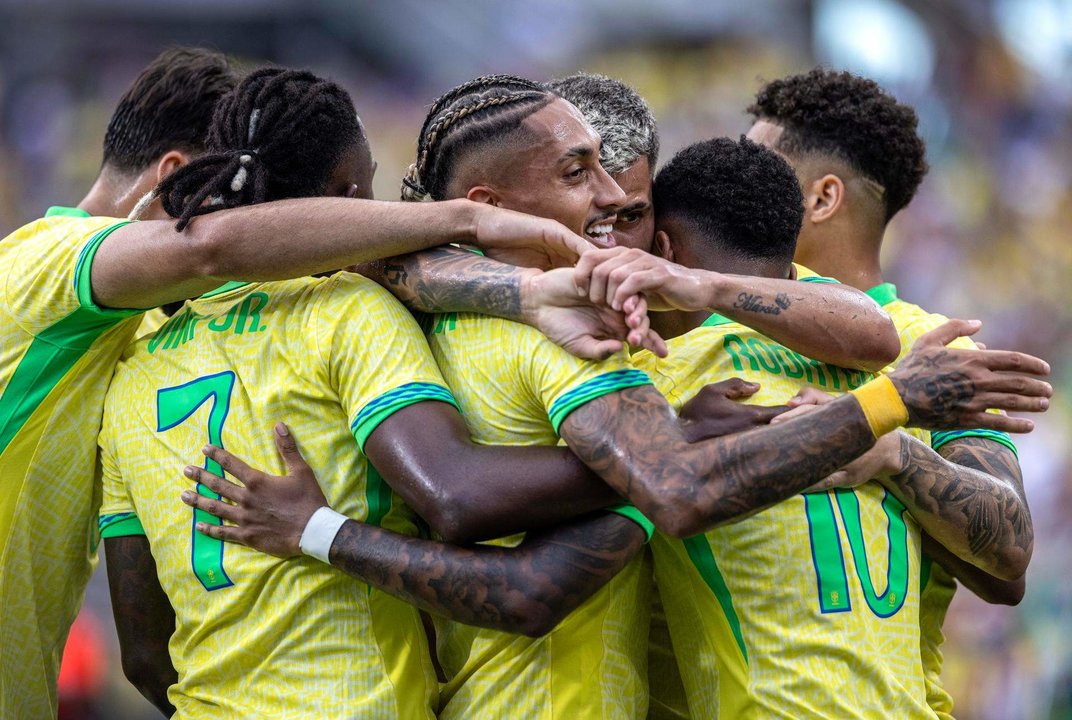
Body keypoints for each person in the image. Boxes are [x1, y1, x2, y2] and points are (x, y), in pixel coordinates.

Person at [0, 46, 598, 719]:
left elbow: (145, 656)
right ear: (174, 177)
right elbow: (455, 493)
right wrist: (646, 458)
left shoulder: (130, 360)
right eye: (208, 193)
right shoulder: (40, 264)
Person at [745, 67, 1033, 719]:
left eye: (758, 173)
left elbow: (1009, 559)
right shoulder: (695, 329)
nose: (736, 189)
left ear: (821, 200)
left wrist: (896, 455)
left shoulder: (939, 349)